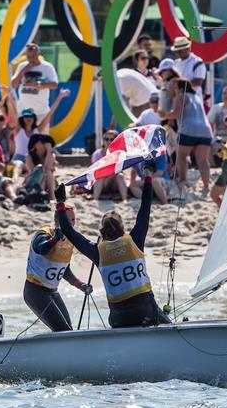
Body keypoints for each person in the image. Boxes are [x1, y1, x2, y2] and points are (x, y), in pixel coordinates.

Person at [55, 175, 171, 328]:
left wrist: (60, 203)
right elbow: (145, 209)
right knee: (166, 321)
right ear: (122, 227)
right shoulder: (134, 241)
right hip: (146, 314)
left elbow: (68, 232)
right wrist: (148, 178)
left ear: (102, 231)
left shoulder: (97, 251)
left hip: (119, 319)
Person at [24, 204, 92, 332]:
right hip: (35, 291)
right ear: (58, 220)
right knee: (63, 330)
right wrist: (55, 238)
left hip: (52, 292)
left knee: (68, 331)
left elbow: (64, 270)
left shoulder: (69, 240)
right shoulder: (44, 232)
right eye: (68, 220)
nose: (71, 223)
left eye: (73, 219)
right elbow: (41, 249)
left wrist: (80, 285)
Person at [163, 78, 213, 191]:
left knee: (181, 156)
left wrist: (164, 116)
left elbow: (176, 113)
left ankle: (183, 180)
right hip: (205, 130)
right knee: (203, 160)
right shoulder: (197, 97)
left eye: (175, 87)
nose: (173, 90)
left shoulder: (180, 96)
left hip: (189, 129)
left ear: (180, 88)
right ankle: (206, 186)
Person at [7, 89, 69, 176]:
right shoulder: (18, 130)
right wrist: (9, 98)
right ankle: (16, 180)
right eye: (26, 116)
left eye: (30, 116)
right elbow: (13, 114)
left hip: (33, 158)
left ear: (34, 118)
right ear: (22, 119)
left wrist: (59, 97)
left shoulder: (37, 130)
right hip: (19, 158)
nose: (28, 118)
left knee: (43, 165)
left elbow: (50, 113)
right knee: (19, 165)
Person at [11, 43, 59, 129]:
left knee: (42, 139)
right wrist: (23, 72)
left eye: (33, 56)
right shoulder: (22, 66)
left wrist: (38, 85)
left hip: (41, 112)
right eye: (28, 57)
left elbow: (54, 84)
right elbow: (14, 84)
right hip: (23, 111)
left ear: (38, 54)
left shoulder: (47, 67)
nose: (31, 59)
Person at [91, 129, 129, 201]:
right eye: (106, 139)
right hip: (100, 180)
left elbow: (119, 170)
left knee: (120, 176)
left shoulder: (119, 153)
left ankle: (125, 199)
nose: (108, 141)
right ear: (103, 140)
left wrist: (108, 178)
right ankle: (95, 199)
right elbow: (95, 171)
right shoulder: (97, 154)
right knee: (99, 178)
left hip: (113, 182)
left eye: (111, 139)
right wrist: (105, 178)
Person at [25, 133, 58, 200]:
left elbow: (48, 167)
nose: (45, 144)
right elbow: (33, 172)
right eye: (43, 142)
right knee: (44, 173)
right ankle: (40, 195)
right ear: (35, 144)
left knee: (48, 172)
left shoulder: (51, 155)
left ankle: (52, 197)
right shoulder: (29, 156)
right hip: (35, 181)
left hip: (49, 184)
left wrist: (49, 150)